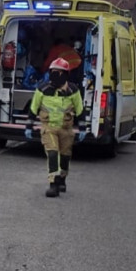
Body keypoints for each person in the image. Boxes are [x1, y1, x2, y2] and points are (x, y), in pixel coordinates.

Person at [25, 58, 85, 197]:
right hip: (49, 127)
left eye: (58, 72)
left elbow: (80, 110)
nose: (55, 75)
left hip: (66, 129)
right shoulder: (43, 89)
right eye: (53, 72)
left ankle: (62, 179)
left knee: (65, 156)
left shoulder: (73, 90)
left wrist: (82, 128)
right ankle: (53, 184)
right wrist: (29, 125)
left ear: (65, 74)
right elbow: (33, 108)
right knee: (52, 154)